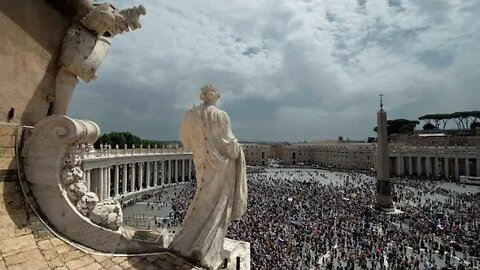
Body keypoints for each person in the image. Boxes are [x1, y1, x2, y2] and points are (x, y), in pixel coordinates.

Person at [169, 84, 247, 270]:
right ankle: (206, 249)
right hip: (221, 169)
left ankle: (186, 242)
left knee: (201, 201)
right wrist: (239, 151)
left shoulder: (191, 114)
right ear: (216, 97)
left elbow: (185, 139)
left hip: (202, 164)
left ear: (202, 95)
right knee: (217, 207)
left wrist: (200, 147)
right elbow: (229, 145)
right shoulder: (221, 116)